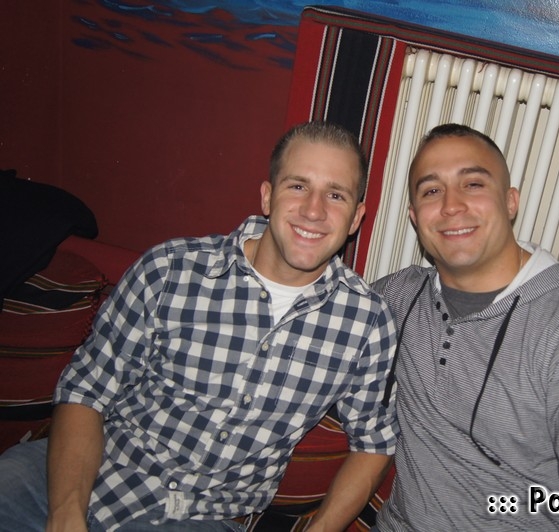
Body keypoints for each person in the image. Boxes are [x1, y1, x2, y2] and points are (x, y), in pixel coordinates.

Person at [0, 121, 398, 532]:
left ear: (356, 218)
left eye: (336, 195)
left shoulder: (365, 322)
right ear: (267, 196)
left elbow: (373, 443)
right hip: (78, 474)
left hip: (202, 517)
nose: (314, 210)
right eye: (298, 186)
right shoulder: (169, 269)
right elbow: (86, 390)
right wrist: (65, 512)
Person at [373, 123, 559, 530]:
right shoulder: (400, 297)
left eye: (473, 184)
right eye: (432, 191)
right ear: (415, 218)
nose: (451, 205)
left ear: (510, 202)